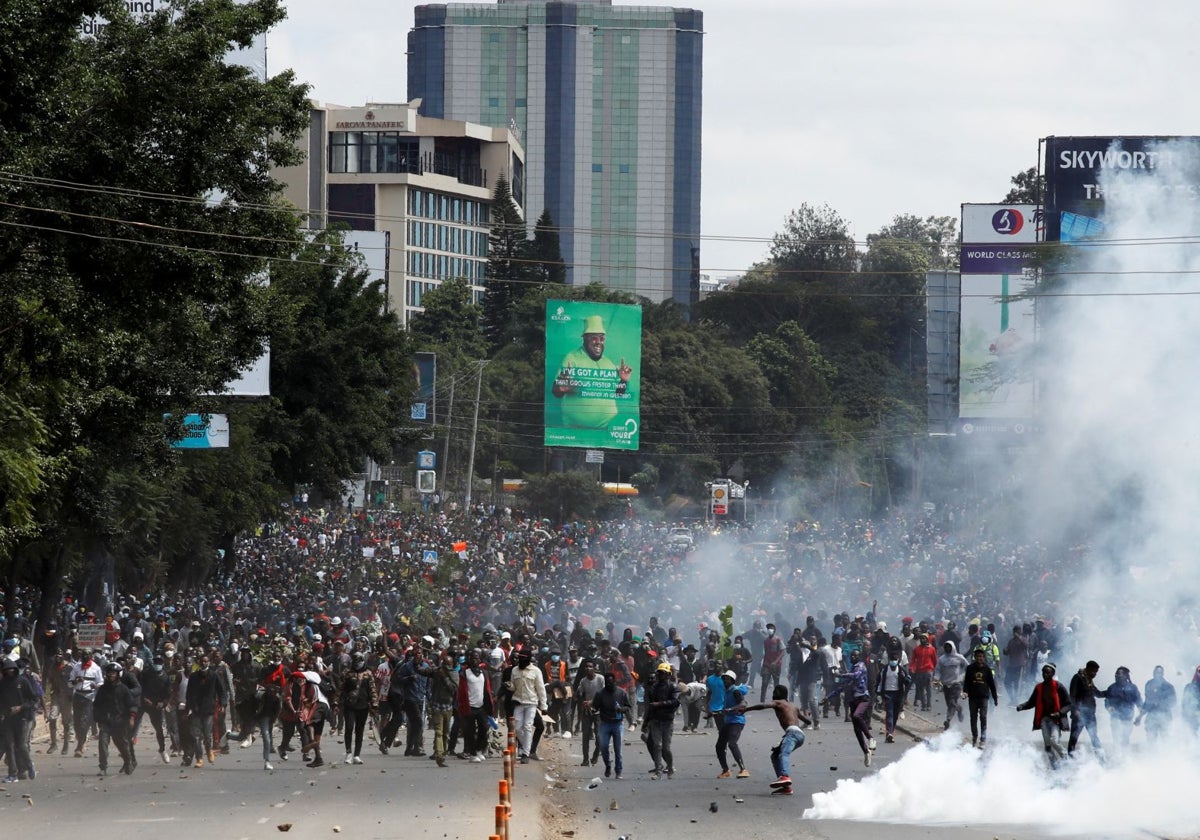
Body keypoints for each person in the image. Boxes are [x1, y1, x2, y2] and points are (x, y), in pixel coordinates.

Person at [551, 314, 633, 429]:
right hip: (575, 431)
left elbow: (618, 393)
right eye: (594, 338)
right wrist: (561, 388)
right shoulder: (572, 358)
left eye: (602, 338)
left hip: (608, 431)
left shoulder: (608, 363)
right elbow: (555, 391)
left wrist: (623, 381)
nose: (598, 342)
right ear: (584, 338)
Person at [743, 684, 812, 796]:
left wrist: (746, 709)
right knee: (775, 756)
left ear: (779, 694)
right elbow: (808, 721)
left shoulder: (779, 703)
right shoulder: (793, 706)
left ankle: (784, 776)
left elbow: (762, 706)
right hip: (799, 735)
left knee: (783, 754)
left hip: (792, 733)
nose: (773, 694)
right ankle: (786, 788)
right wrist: (807, 715)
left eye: (775, 692)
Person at [826, 649, 876, 767]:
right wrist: (828, 697)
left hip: (863, 698)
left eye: (856, 655)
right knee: (856, 729)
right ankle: (866, 752)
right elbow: (842, 687)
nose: (854, 657)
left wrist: (840, 674)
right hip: (853, 700)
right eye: (852, 655)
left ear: (859, 657)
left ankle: (871, 738)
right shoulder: (852, 669)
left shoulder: (861, 666)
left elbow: (856, 675)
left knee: (856, 715)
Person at [1016, 662, 1071, 768]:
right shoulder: (1039, 687)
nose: (1045, 675)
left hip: (1055, 720)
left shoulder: (1059, 686)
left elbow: (1068, 704)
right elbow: (1031, 702)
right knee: (1048, 746)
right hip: (1044, 720)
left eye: (1048, 673)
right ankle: (1055, 767)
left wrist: (1059, 713)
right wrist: (1022, 706)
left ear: (1052, 674)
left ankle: (1065, 759)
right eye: (1043, 672)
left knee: (1054, 741)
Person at [92, 661, 137, 776]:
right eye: (109, 673)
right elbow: (96, 705)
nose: (111, 675)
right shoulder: (102, 689)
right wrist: (98, 719)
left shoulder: (123, 689)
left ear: (118, 674)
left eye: (113, 673)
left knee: (122, 745)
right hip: (106, 722)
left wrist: (131, 718)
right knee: (102, 744)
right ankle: (103, 767)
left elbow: (132, 704)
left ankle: (128, 762)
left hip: (120, 722)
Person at [0, 658, 39, 782]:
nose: (10, 673)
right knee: (9, 746)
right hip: (8, 718)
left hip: (22, 717)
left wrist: (21, 707)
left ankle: (29, 765)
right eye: (7, 671)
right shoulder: (3, 683)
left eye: (12, 670)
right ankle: (12, 774)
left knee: (21, 745)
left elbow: (34, 699)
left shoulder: (23, 681)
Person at [507, 649, 547, 764]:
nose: (521, 660)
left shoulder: (536, 671)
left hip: (531, 703)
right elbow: (513, 687)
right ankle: (527, 748)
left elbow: (541, 690)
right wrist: (509, 686)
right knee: (517, 728)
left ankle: (525, 754)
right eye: (520, 658)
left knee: (527, 726)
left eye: (523, 658)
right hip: (518, 702)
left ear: (528, 659)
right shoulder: (514, 670)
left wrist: (544, 707)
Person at [643, 662, 680, 779]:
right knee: (657, 746)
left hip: (667, 721)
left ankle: (670, 766)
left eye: (662, 673)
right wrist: (646, 722)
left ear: (668, 674)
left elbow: (675, 702)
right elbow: (650, 706)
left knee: (666, 748)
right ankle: (658, 771)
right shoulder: (653, 688)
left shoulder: (673, 687)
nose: (660, 675)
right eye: (659, 673)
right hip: (655, 720)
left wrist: (660, 704)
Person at [591, 672, 632, 779]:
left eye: (611, 682)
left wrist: (621, 709)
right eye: (607, 682)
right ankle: (608, 765)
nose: (609, 684)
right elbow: (595, 707)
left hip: (618, 724)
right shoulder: (600, 694)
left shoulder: (621, 693)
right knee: (603, 747)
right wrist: (592, 709)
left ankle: (618, 770)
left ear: (614, 681)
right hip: (605, 724)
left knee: (618, 749)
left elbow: (628, 707)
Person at [341, 651, 379, 765]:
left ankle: (357, 755)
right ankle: (348, 753)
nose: (357, 663)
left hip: (363, 706)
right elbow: (340, 689)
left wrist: (374, 704)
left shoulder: (368, 673)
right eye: (355, 661)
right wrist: (335, 703)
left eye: (360, 661)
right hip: (349, 705)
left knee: (359, 730)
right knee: (349, 727)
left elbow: (372, 689)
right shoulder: (347, 673)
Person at [712, 670, 751, 779]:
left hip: (737, 721)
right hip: (728, 721)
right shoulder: (726, 691)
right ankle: (726, 770)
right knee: (719, 746)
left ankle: (743, 769)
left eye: (727, 679)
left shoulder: (735, 691)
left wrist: (731, 709)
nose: (725, 681)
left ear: (732, 681)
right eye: (724, 679)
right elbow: (725, 709)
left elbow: (743, 703)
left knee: (732, 743)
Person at [1067, 660, 1106, 761]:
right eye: (1093, 672)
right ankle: (1070, 759)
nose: (1095, 674)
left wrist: (1110, 692)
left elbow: (1097, 693)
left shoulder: (1089, 680)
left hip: (1090, 714)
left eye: (1096, 672)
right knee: (1074, 738)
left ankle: (1101, 758)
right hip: (1079, 714)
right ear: (1088, 669)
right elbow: (1072, 696)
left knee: (1094, 737)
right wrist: (1075, 711)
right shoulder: (1078, 678)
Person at [962, 647, 999, 748]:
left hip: (984, 697)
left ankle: (983, 739)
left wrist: (995, 698)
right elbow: (966, 683)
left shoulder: (987, 669)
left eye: (982, 657)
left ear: (984, 658)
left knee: (983, 717)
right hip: (973, 697)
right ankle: (975, 736)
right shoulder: (970, 668)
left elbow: (992, 685)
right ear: (975, 657)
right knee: (973, 718)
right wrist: (965, 692)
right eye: (978, 656)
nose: (980, 658)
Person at [1103, 666, 1141, 760]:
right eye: (1116, 674)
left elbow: (1139, 702)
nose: (1117, 676)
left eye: (1120, 674)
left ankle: (1124, 756)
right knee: (1116, 736)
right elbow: (1107, 701)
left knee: (1125, 737)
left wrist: (1140, 716)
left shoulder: (1132, 688)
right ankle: (1117, 755)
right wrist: (1109, 707)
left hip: (1128, 718)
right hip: (1115, 717)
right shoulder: (1112, 688)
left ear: (1125, 676)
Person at [1137, 665, 1176, 744]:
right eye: (1155, 672)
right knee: (1151, 738)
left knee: (1165, 739)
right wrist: (1140, 716)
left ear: (1162, 674)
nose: (1156, 674)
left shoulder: (1168, 686)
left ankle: (1167, 754)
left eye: (1159, 673)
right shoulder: (1149, 684)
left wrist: (1160, 704)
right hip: (1151, 716)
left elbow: (1173, 702)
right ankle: (1152, 754)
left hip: (1164, 716)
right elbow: (1147, 702)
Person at [935, 640, 968, 731]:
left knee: (951, 702)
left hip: (956, 684)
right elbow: (937, 670)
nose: (948, 649)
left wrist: (964, 676)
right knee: (950, 704)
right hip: (946, 684)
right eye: (946, 647)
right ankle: (959, 709)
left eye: (949, 647)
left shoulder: (959, 658)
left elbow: (968, 667)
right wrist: (936, 678)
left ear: (953, 647)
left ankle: (948, 720)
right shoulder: (942, 659)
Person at [909, 633, 936, 712]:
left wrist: (933, 669)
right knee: (920, 689)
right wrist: (911, 668)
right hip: (919, 671)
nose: (923, 640)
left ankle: (929, 705)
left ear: (927, 639)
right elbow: (913, 660)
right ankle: (923, 705)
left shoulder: (932, 649)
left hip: (928, 671)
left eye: (924, 638)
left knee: (928, 689)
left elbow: (935, 660)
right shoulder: (917, 649)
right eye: (921, 638)